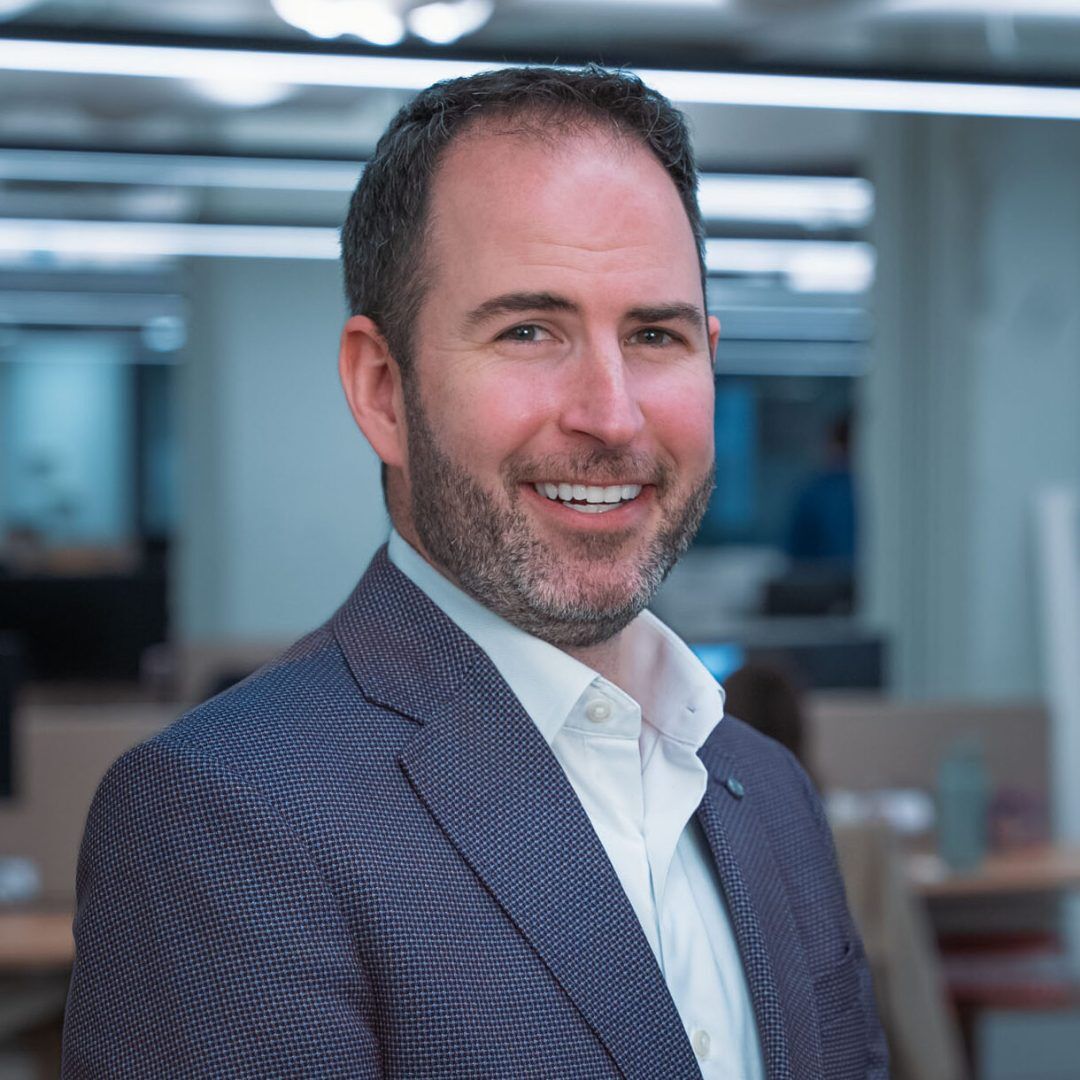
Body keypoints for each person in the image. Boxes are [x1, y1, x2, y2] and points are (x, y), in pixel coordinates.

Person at [62, 66, 886, 1078]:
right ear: (383, 389)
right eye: (528, 331)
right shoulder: (225, 819)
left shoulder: (769, 793)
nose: (612, 414)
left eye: (654, 335)